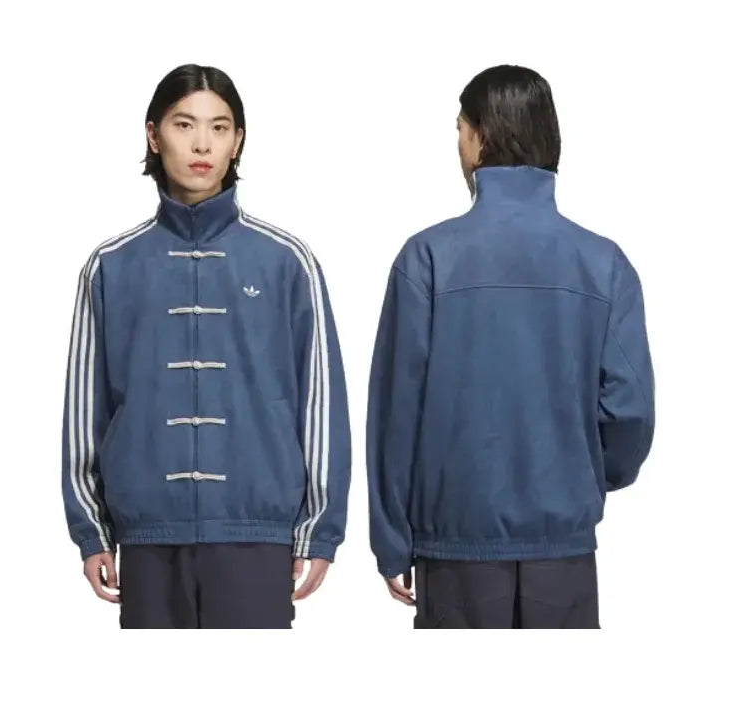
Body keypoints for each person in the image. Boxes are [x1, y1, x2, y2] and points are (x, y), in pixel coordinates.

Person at [61, 64, 351, 628]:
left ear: (237, 140)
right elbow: (84, 411)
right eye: (184, 125)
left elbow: (320, 403)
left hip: (256, 537)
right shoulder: (110, 267)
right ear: (154, 135)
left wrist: (320, 528)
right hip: (148, 540)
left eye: (219, 128)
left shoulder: (287, 261)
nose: (202, 144)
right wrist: (91, 531)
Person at [366, 65, 654, 628]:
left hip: (454, 547)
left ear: (482, 137)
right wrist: (581, 475)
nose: (458, 143)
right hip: (564, 549)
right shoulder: (604, 263)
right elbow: (630, 411)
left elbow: (397, 414)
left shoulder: (427, 258)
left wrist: (393, 538)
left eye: (459, 129)